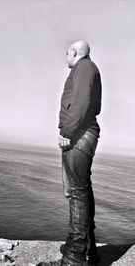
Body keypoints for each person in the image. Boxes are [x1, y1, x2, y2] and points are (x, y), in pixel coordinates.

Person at [58, 40, 102, 266]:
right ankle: (88, 249)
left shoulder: (83, 67)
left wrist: (67, 130)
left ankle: (74, 258)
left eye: (67, 52)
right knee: (82, 191)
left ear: (75, 52)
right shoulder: (88, 68)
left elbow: (81, 100)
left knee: (77, 194)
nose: (66, 56)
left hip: (79, 134)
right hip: (85, 133)